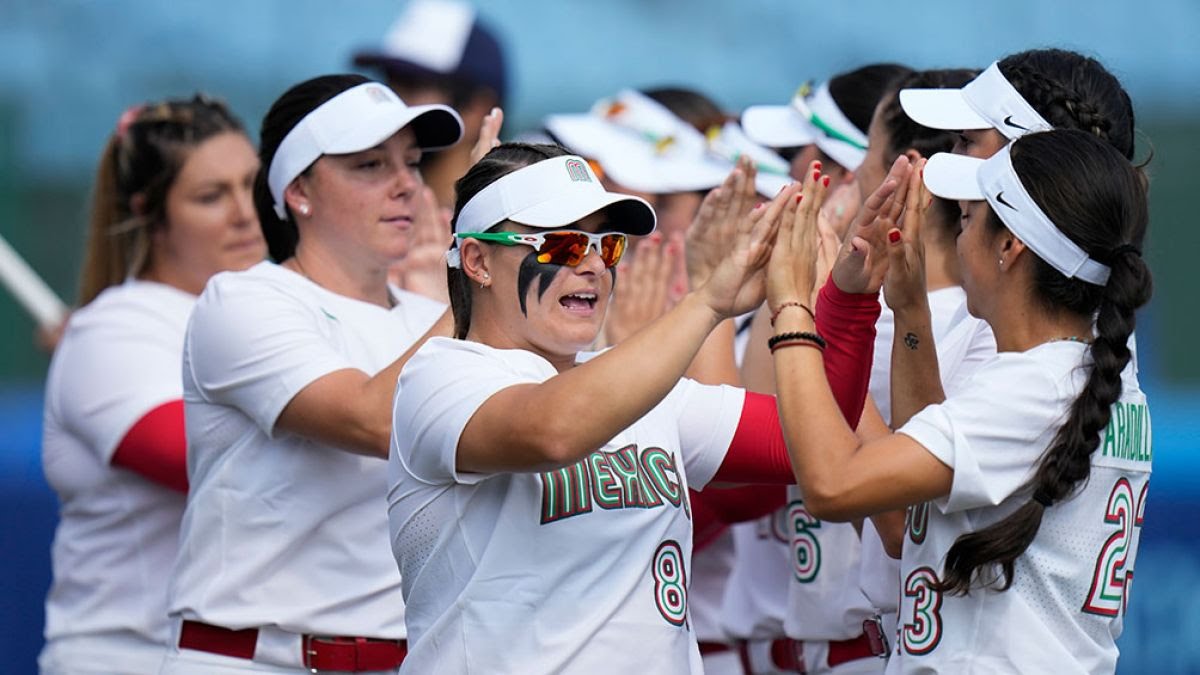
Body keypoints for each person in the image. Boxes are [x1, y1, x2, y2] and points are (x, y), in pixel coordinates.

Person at [387, 143, 877, 673]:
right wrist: (707, 302)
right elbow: (551, 430)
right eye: (566, 246)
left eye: (608, 245)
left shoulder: (637, 385)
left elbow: (803, 444)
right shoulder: (439, 375)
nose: (595, 264)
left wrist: (847, 298)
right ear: (479, 260)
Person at [767, 128, 1152, 673]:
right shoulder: (1089, 375)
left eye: (968, 218)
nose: (951, 233)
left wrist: (792, 305)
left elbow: (832, 485)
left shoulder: (1034, 388)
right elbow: (906, 520)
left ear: (1009, 246)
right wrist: (907, 310)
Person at [159, 74, 463, 674]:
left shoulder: (439, 319)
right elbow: (374, 419)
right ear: (298, 190)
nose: (406, 184)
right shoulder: (243, 300)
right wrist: (482, 283)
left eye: (411, 162)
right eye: (371, 165)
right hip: (254, 660)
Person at [40, 95, 264, 674]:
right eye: (212, 196)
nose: (246, 212)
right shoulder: (112, 332)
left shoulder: (281, 316)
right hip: (125, 657)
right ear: (149, 212)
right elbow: (213, 468)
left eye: (252, 185)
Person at [353, 0, 508, 212]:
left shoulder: (505, 226)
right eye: (389, 83)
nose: (391, 100)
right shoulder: (365, 215)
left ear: (477, 109)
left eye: (412, 85)